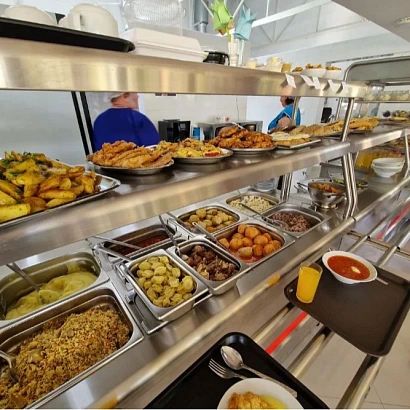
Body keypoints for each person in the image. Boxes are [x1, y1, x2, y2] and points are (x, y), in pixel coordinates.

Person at [93, 92, 160, 150]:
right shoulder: (138, 119)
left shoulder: (99, 120)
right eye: (135, 93)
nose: (137, 96)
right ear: (125, 95)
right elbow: (155, 149)